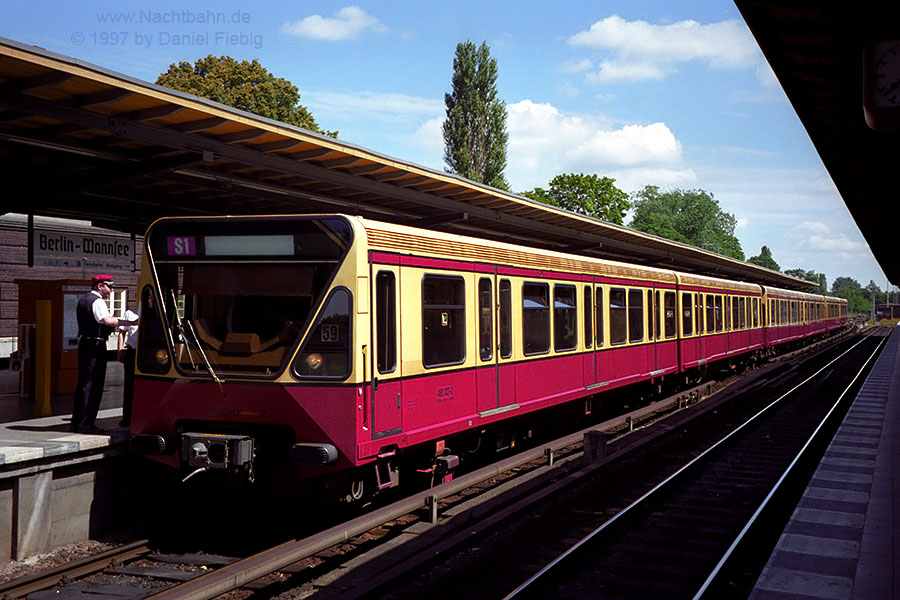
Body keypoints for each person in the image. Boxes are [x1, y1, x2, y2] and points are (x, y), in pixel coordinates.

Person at [72, 274, 139, 434]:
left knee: (84, 383)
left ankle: (79, 421)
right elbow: (107, 320)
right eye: (109, 286)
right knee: (94, 383)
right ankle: (86, 423)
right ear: (99, 285)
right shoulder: (98, 301)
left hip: (85, 343)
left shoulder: (83, 299)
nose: (111, 290)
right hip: (95, 344)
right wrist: (131, 323)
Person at [117, 304, 139, 428]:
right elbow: (122, 332)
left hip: (145, 352)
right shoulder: (130, 313)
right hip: (132, 351)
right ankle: (127, 418)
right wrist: (119, 350)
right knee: (129, 385)